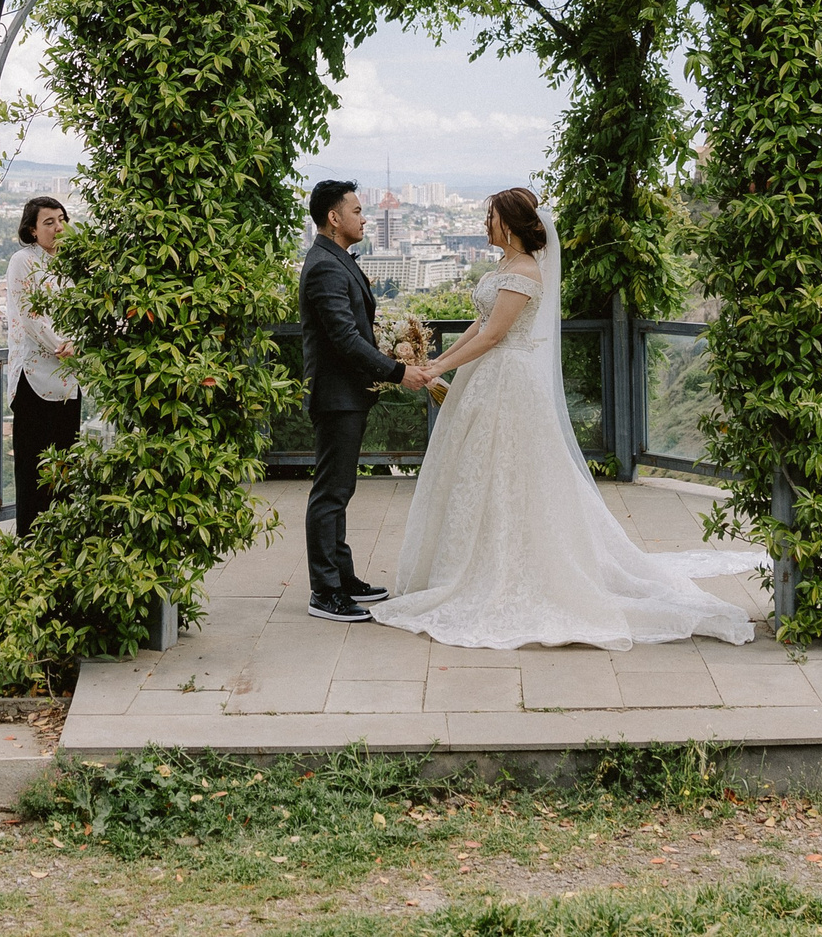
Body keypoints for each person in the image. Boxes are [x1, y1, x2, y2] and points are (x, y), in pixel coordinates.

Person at [369, 187, 755, 649]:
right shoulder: (503, 268)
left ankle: (512, 566)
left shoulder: (527, 271)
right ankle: (468, 562)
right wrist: (439, 363)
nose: (484, 225)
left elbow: (494, 336)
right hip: (488, 378)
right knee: (479, 472)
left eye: (489, 217)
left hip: (509, 381)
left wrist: (440, 368)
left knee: (509, 470)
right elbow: (478, 323)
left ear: (507, 224)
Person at [300, 178, 439, 622]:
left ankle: (342, 577)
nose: (364, 218)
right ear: (333, 218)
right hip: (336, 396)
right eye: (357, 211)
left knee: (340, 490)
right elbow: (343, 338)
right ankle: (325, 592)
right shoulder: (324, 265)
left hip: (346, 395)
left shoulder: (334, 259)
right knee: (330, 493)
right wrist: (398, 371)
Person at [5, 195, 81, 539]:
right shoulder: (22, 262)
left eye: (61, 220)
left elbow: (84, 308)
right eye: (48, 222)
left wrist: (77, 342)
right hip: (33, 375)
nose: (57, 228)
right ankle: (31, 539)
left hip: (68, 377)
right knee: (33, 462)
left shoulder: (71, 264)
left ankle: (61, 537)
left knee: (65, 461)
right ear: (32, 230)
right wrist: (59, 345)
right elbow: (29, 314)